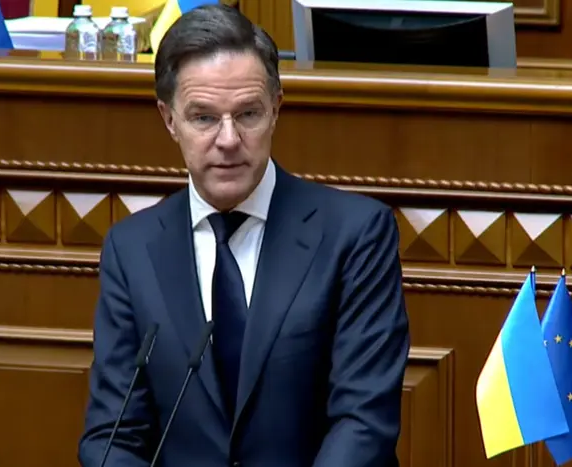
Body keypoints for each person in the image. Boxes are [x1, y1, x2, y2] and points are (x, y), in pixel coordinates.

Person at [78, 4, 410, 467]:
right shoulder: (132, 249)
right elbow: (111, 437)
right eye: (203, 118)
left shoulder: (355, 234)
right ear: (169, 120)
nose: (229, 139)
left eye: (248, 114)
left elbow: (364, 422)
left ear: (276, 109)